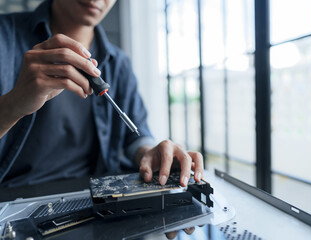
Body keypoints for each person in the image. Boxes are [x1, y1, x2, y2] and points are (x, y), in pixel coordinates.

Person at [0, 0, 203, 188]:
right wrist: (12, 105)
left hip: (97, 202)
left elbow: (136, 138)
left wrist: (149, 153)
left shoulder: (119, 63)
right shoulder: (4, 38)